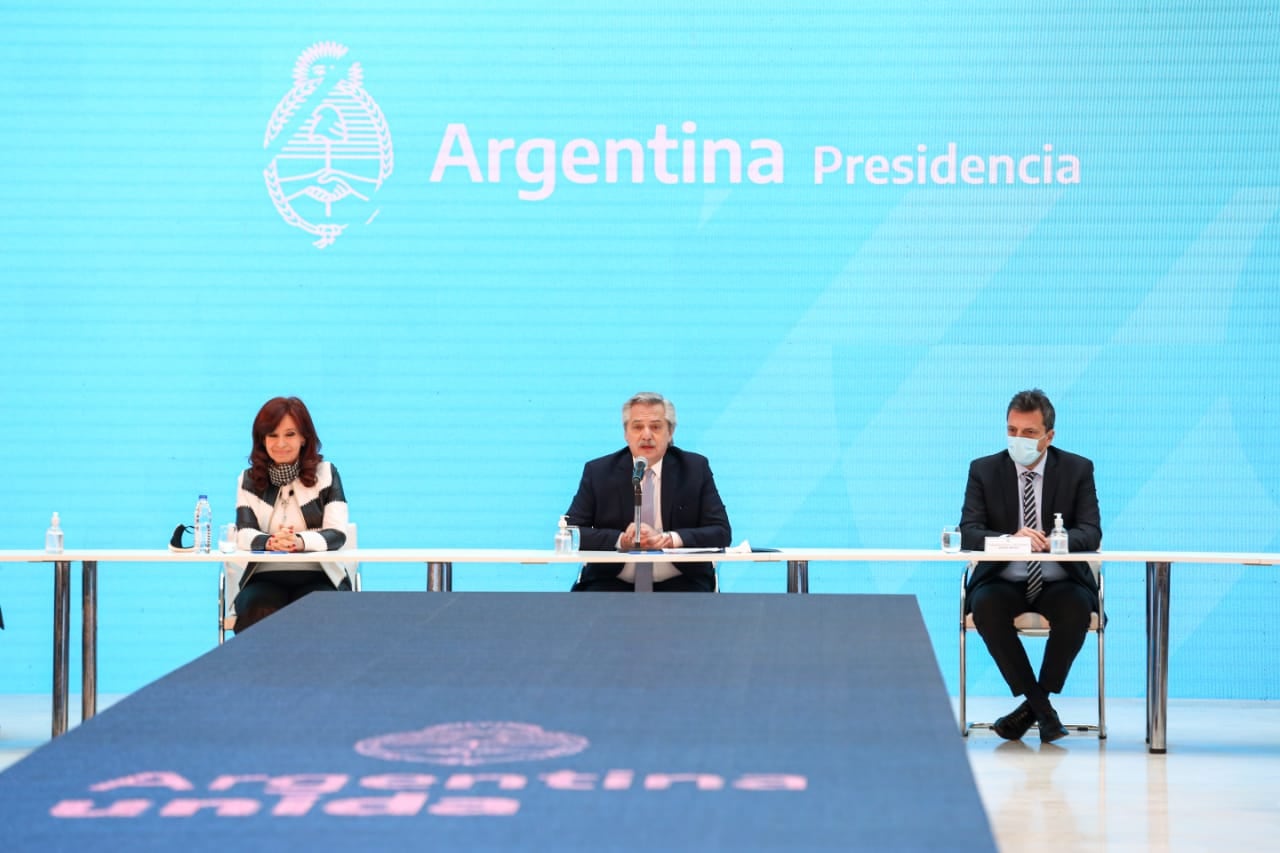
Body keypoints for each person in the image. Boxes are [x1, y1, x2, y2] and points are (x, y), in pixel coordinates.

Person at [959, 389, 1102, 742]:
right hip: (1004, 578)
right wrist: (1012, 539)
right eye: (1012, 431)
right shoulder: (984, 470)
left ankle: (1032, 709)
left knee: (1076, 609)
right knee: (987, 606)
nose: (1017, 440)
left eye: (1028, 433)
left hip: (1058, 580)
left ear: (1049, 436)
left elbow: (1091, 531)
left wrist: (1056, 541)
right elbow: (969, 533)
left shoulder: (1077, 469)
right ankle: (1042, 709)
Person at [566, 392, 731, 591]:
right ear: (626, 433)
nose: (646, 435)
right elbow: (569, 533)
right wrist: (621, 541)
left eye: (655, 427)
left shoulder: (694, 469)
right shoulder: (599, 472)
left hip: (683, 581)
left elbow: (721, 532)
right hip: (610, 581)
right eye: (637, 427)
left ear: (670, 433)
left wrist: (669, 540)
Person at [231, 396, 351, 631]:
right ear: (262, 440)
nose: (281, 444)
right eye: (272, 435)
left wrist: (299, 542)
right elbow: (243, 534)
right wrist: (271, 542)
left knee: (318, 612)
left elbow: (337, 534)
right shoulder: (247, 480)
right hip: (263, 577)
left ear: (304, 438)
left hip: (320, 576)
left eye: (290, 434)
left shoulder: (326, 473)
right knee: (260, 611)